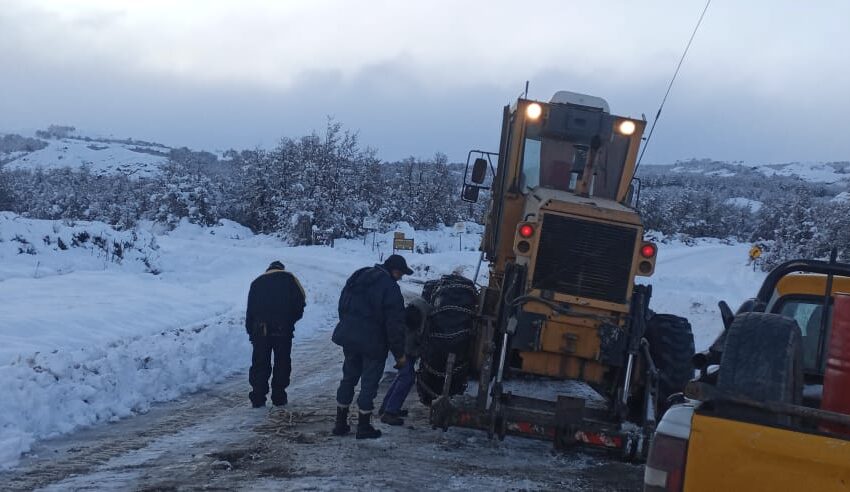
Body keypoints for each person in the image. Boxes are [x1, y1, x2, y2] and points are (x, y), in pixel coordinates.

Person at [331, 254, 412, 439]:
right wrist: (399, 354)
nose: (401, 278)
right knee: (369, 383)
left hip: (350, 338)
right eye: (401, 274)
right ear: (395, 270)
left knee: (348, 378)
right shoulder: (390, 288)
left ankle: (340, 424)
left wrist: (349, 325)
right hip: (373, 344)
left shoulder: (359, 275)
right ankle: (364, 426)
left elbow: (343, 304)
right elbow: (395, 325)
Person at [245, 261, 306, 408]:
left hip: (260, 331)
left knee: (260, 363)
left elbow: (250, 310)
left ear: (268, 270)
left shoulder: (256, 283)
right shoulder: (290, 279)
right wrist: (290, 320)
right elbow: (300, 302)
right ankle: (279, 396)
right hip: (283, 330)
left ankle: (258, 398)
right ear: (281, 269)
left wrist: (250, 331)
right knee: (282, 362)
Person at [378, 296, 429, 425]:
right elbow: (412, 341)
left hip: (403, 348)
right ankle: (389, 413)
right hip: (402, 349)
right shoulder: (416, 319)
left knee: (402, 376)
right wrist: (418, 352)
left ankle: (386, 407)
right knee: (407, 378)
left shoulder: (416, 312)